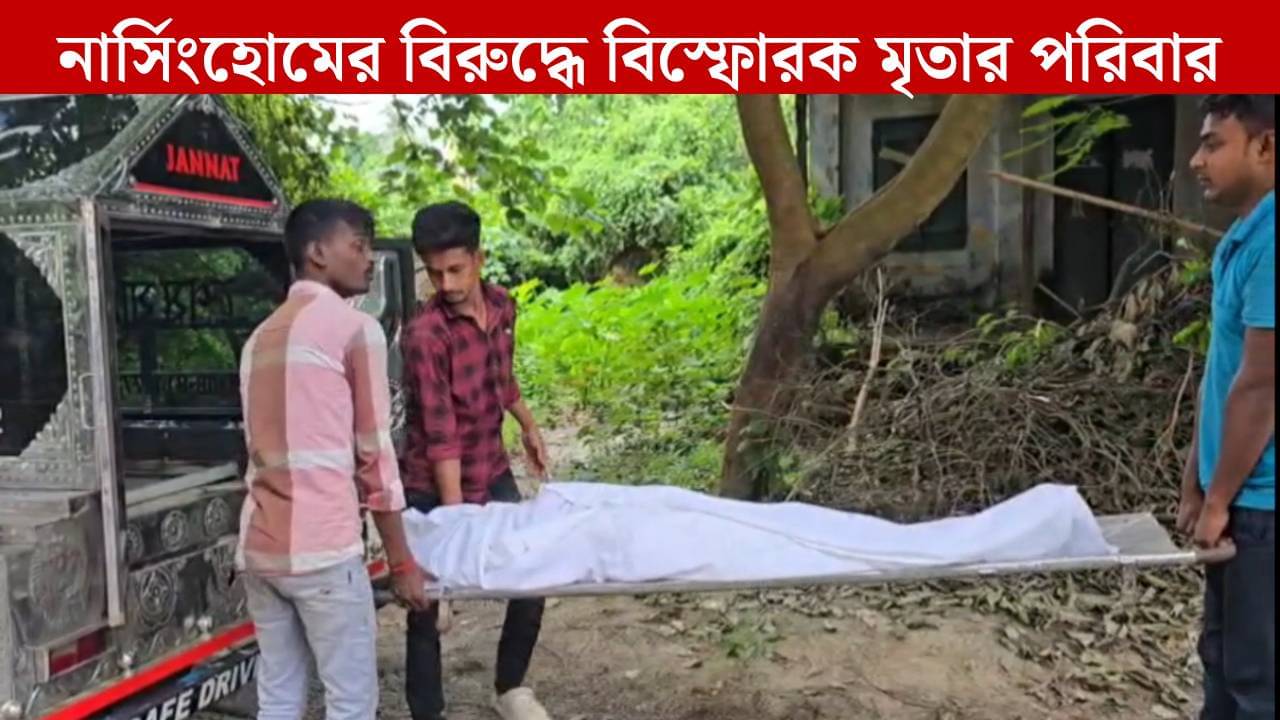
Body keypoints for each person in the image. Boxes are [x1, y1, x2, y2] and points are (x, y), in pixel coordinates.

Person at [236, 199, 431, 720]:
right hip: (322, 551)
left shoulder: (258, 339)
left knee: (279, 696)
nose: (369, 259)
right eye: (359, 246)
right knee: (350, 701)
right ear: (318, 253)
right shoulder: (354, 329)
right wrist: (402, 563)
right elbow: (375, 457)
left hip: (260, 551)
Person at [400, 201, 553, 720]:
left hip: (491, 466)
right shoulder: (426, 335)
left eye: (455, 269)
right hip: (432, 480)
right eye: (434, 272)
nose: (445, 284)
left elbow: (502, 379)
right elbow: (440, 434)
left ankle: (510, 688)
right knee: (427, 601)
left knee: (531, 573)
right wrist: (455, 524)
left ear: (479, 259)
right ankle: (428, 711)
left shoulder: (503, 306)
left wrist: (528, 425)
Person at [1180, 94, 1275, 720]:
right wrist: (1197, 479)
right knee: (1222, 665)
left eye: (1214, 144)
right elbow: (1221, 372)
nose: (1196, 160)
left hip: (1264, 507)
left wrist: (1218, 500)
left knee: (1256, 685)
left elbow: (1263, 386)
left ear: (1266, 148)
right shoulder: (1242, 240)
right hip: (1237, 498)